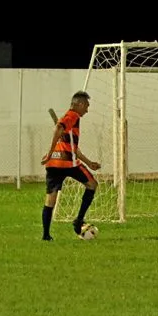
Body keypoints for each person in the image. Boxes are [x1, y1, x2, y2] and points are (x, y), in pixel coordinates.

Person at [40, 90, 100, 241]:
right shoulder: (73, 115)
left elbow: (71, 146)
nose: (87, 109)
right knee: (92, 184)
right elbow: (58, 128)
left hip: (54, 163)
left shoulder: (70, 119)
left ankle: (46, 235)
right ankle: (79, 220)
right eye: (86, 105)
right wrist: (49, 152)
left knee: (50, 200)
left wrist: (88, 163)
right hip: (68, 163)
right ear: (78, 104)